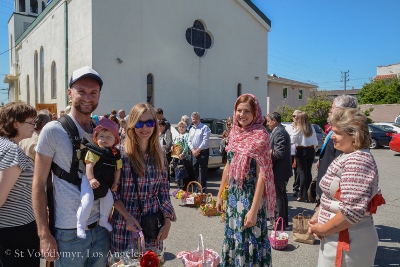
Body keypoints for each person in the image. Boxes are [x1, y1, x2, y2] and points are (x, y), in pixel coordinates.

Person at [32, 66, 110, 266]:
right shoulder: (53, 130)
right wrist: (43, 235)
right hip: (68, 233)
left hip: (100, 230)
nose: (87, 97)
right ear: (70, 93)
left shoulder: (100, 132)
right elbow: (39, 184)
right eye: (81, 91)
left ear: (99, 95)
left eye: (93, 92)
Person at [308, 108, 385, 267]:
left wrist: (322, 230)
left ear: (354, 135)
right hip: (337, 237)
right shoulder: (347, 155)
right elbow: (332, 195)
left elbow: (351, 211)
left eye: (337, 132)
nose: (332, 136)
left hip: (349, 242)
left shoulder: (358, 161)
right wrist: (319, 213)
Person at [216, 94, 276, 267]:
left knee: (249, 239)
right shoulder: (234, 133)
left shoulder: (261, 136)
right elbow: (228, 165)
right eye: (239, 111)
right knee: (233, 237)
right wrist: (220, 194)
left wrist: (254, 211)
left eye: (247, 111)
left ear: (255, 113)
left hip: (250, 198)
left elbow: (262, 177)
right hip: (234, 197)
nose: (242, 115)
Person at [111, 102, 176, 253]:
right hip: (125, 223)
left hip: (152, 222)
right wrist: (126, 216)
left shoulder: (160, 156)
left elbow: (164, 192)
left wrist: (167, 222)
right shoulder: (121, 154)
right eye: (140, 123)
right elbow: (113, 192)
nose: (145, 128)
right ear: (132, 125)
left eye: (149, 122)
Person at [0, 102, 39, 267]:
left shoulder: (4, 144)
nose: (34, 126)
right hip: (15, 232)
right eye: (31, 122)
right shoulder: (11, 150)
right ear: (16, 124)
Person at [77, 118, 122, 238]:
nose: (104, 139)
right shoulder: (95, 151)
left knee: (108, 201)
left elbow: (118, 169)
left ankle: (103, 219)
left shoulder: (115, 155)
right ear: (96, 137)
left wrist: (116, 183)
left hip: (105, 183)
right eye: (101, 136)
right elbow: (89, 165)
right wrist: (91, 179)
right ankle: (80, 224)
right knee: (87, 202)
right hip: (90, 182)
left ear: (115, 140)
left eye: (109, 137)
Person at [315, 95, 358, 203]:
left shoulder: (348, 132)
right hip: (327, 191)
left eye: (333, 107)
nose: (330, 110)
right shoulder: (337, 129)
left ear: (341, 110)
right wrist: (322, 160)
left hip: (334, 196)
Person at [266, 112, 291, 229]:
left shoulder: (279, 132)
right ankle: (283, 221)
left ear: (274, 120)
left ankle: (278, 223)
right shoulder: (279, 130)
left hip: (279, 170)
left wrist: (268, 153)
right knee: (281, 196)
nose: (267, 123)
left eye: (268, 121)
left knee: (278, 197)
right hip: (281, 169)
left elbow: (279, 153)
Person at [290, 111, 318, 202]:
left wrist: (294, 129)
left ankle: (302, 195)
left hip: (301, 150)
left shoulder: (298, 128)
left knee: (302, 173)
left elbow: (292, 140)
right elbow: (315, 141)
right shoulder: (311, 127)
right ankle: (310, 193)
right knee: (308, 172)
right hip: (311, 150)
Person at [188, 111, 211, 192]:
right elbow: (189, 141)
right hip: (194, 152)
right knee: (195, 170)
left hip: (202, 152)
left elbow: (205, 141)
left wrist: (198, 150)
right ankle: (197, 189)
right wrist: (193, 150)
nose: (194, 120)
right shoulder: (191, 129)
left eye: (196, 119)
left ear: (199, 118)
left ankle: (202, 190)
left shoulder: (205, 128)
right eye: (193, 119)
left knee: (202, 171)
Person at [172, 121, 195, 189]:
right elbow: (174, 144)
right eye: (180, 127)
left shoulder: (187, 135)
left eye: (183, 127)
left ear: (185, 128)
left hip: (184, 157)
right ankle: (179, 187)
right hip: (177, 156)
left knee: (184, 172)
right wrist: (172, 147)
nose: (181, 128)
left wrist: (183, 154)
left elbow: (187, 145)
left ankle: (184, 187)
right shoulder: (177, 135)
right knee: (178, 172)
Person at [287, 110, 301, 197]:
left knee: (298, 172)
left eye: (297, 116)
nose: (295, 118)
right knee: (287, 171)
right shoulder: (288, 127)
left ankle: (296, 188)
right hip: (289, 152)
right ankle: (283, 186)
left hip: (298, 152)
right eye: (294, 116)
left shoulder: (302, 127)